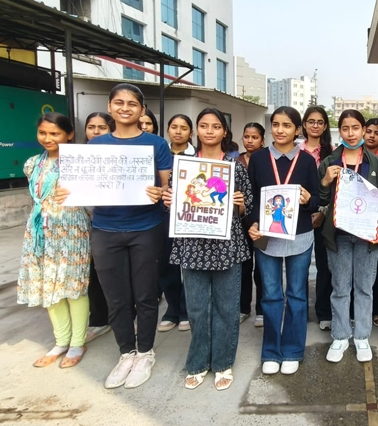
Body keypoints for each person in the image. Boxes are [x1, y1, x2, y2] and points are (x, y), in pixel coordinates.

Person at [61, 83, 172, 389]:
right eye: (119, 103)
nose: (125, 108)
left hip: (146, 229)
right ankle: (126, 352)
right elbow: (80, 186)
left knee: (146, 295)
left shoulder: (156, 144)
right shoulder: (95, 147)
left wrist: (160, 192)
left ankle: (145, 352)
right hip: (105, 229)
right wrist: (67, 191)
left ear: (142, 109)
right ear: (110, 107)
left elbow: (168, 190)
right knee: (116, 298)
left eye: (132, 103)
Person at [163, 108, 253, 390]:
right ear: (195, 131)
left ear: (225, 132)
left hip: (227, 246)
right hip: (192, 245)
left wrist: (238, 203)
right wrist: (169, 201)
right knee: (198, 309)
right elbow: (173, 202)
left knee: (227, 308)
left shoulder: (235, 166)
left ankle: (224, 362)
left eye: (216, 126)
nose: (210, 131)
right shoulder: (183, 166)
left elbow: (246, 206)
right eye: (204, 126)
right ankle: (198, 362)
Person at [248, 107, 320, 375]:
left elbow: (316, 200)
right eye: (276, 124)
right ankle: (270, 350)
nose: (280, 130)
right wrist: (252, 223)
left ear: (297, 130)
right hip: (267, 236)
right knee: (270, 295)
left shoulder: (306, 161)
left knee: (297, 294)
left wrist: (307, 200)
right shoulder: (258, 159)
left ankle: (292, 349)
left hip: (299, 235)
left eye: (287, 125)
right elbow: (253, 198)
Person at [319, 110, 378, 364]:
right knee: (340, 288)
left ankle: (362, 336)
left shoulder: (376, 163)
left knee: (364, 288)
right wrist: (325, 183)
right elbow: (321, 203)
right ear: (338, 131)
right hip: (339, 235)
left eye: (355, 128)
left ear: (364, 130)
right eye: (345, 128)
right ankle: (340, 336)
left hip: (368, 237)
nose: (350, 134)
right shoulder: (329, 161)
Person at [20, 113, 91, 368]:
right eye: (43, 133)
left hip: (72, 229)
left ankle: (77, 342)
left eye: (55, 134)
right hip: (41, 231)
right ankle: (60, 341)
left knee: (74, 286)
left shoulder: (81, 163)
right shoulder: (31, 164)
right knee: (49, 285)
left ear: (69, 134)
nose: (48, 139)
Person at [299, 106, 336, 331]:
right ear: (303, 124)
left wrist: (323, 211)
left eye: (320, 122)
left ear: (325, 126)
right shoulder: (296, 152)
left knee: (325, 266)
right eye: (311, 121)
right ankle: (300, 311)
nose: (315, 125)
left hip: (324, 216)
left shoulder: (332, 153)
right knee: (299, 267)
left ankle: (324, 311)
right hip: (299, 216)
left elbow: (336, 190)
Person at [157, 114, 194, 334]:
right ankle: (172, 309)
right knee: (166, 265)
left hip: (190, 217)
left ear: (191, 132)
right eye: (174, 127)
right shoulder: (159, 154)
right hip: (163, 216)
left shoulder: (197, 155)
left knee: (189, 265)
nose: (178, 131)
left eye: (183, 128)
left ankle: (186, 310)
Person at [83, 112, 114, 343]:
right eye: (91, 127)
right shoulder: (79, 156)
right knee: (91, 274)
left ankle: (116, 313)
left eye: (101, 127)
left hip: (110, 223)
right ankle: (99, 318)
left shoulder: (119, 156)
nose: (95, 132)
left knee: (111, 273)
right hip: (81, 223)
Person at [237, 122, 266, 326]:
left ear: (262, 140)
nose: (250, 140)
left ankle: (262, 310)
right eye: (246, 136)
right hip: (240, 224)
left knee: (262, 268)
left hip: (262, 221)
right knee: (244, 268)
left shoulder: (266, 160)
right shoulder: (235, 162)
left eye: (254, 137)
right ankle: (243, 307)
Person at [363, 117, 378, 326]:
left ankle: (377, 307)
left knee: (376, 265)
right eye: (369, 131)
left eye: (377, 132)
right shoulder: (353, 156)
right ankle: (355, 308)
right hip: (356, 216)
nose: (372, 135)